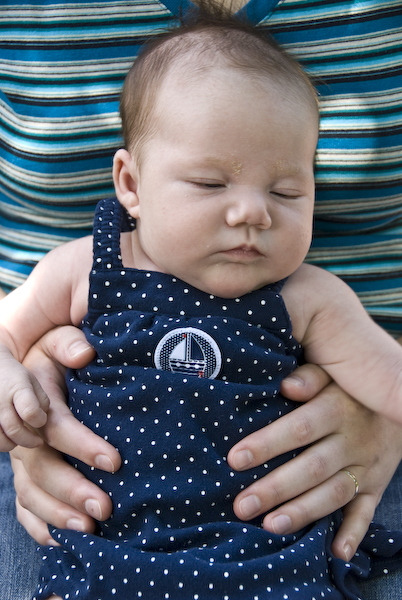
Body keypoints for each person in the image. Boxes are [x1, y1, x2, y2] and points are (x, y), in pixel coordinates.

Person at [1, 1, 402, 599]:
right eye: (211, 183)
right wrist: (14, 393)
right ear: (131, 184)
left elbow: (390, 380)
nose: (253, 212)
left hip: (266, 544)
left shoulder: (308, 297)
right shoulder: (86, 268)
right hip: (104, 535)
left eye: (287, 191)